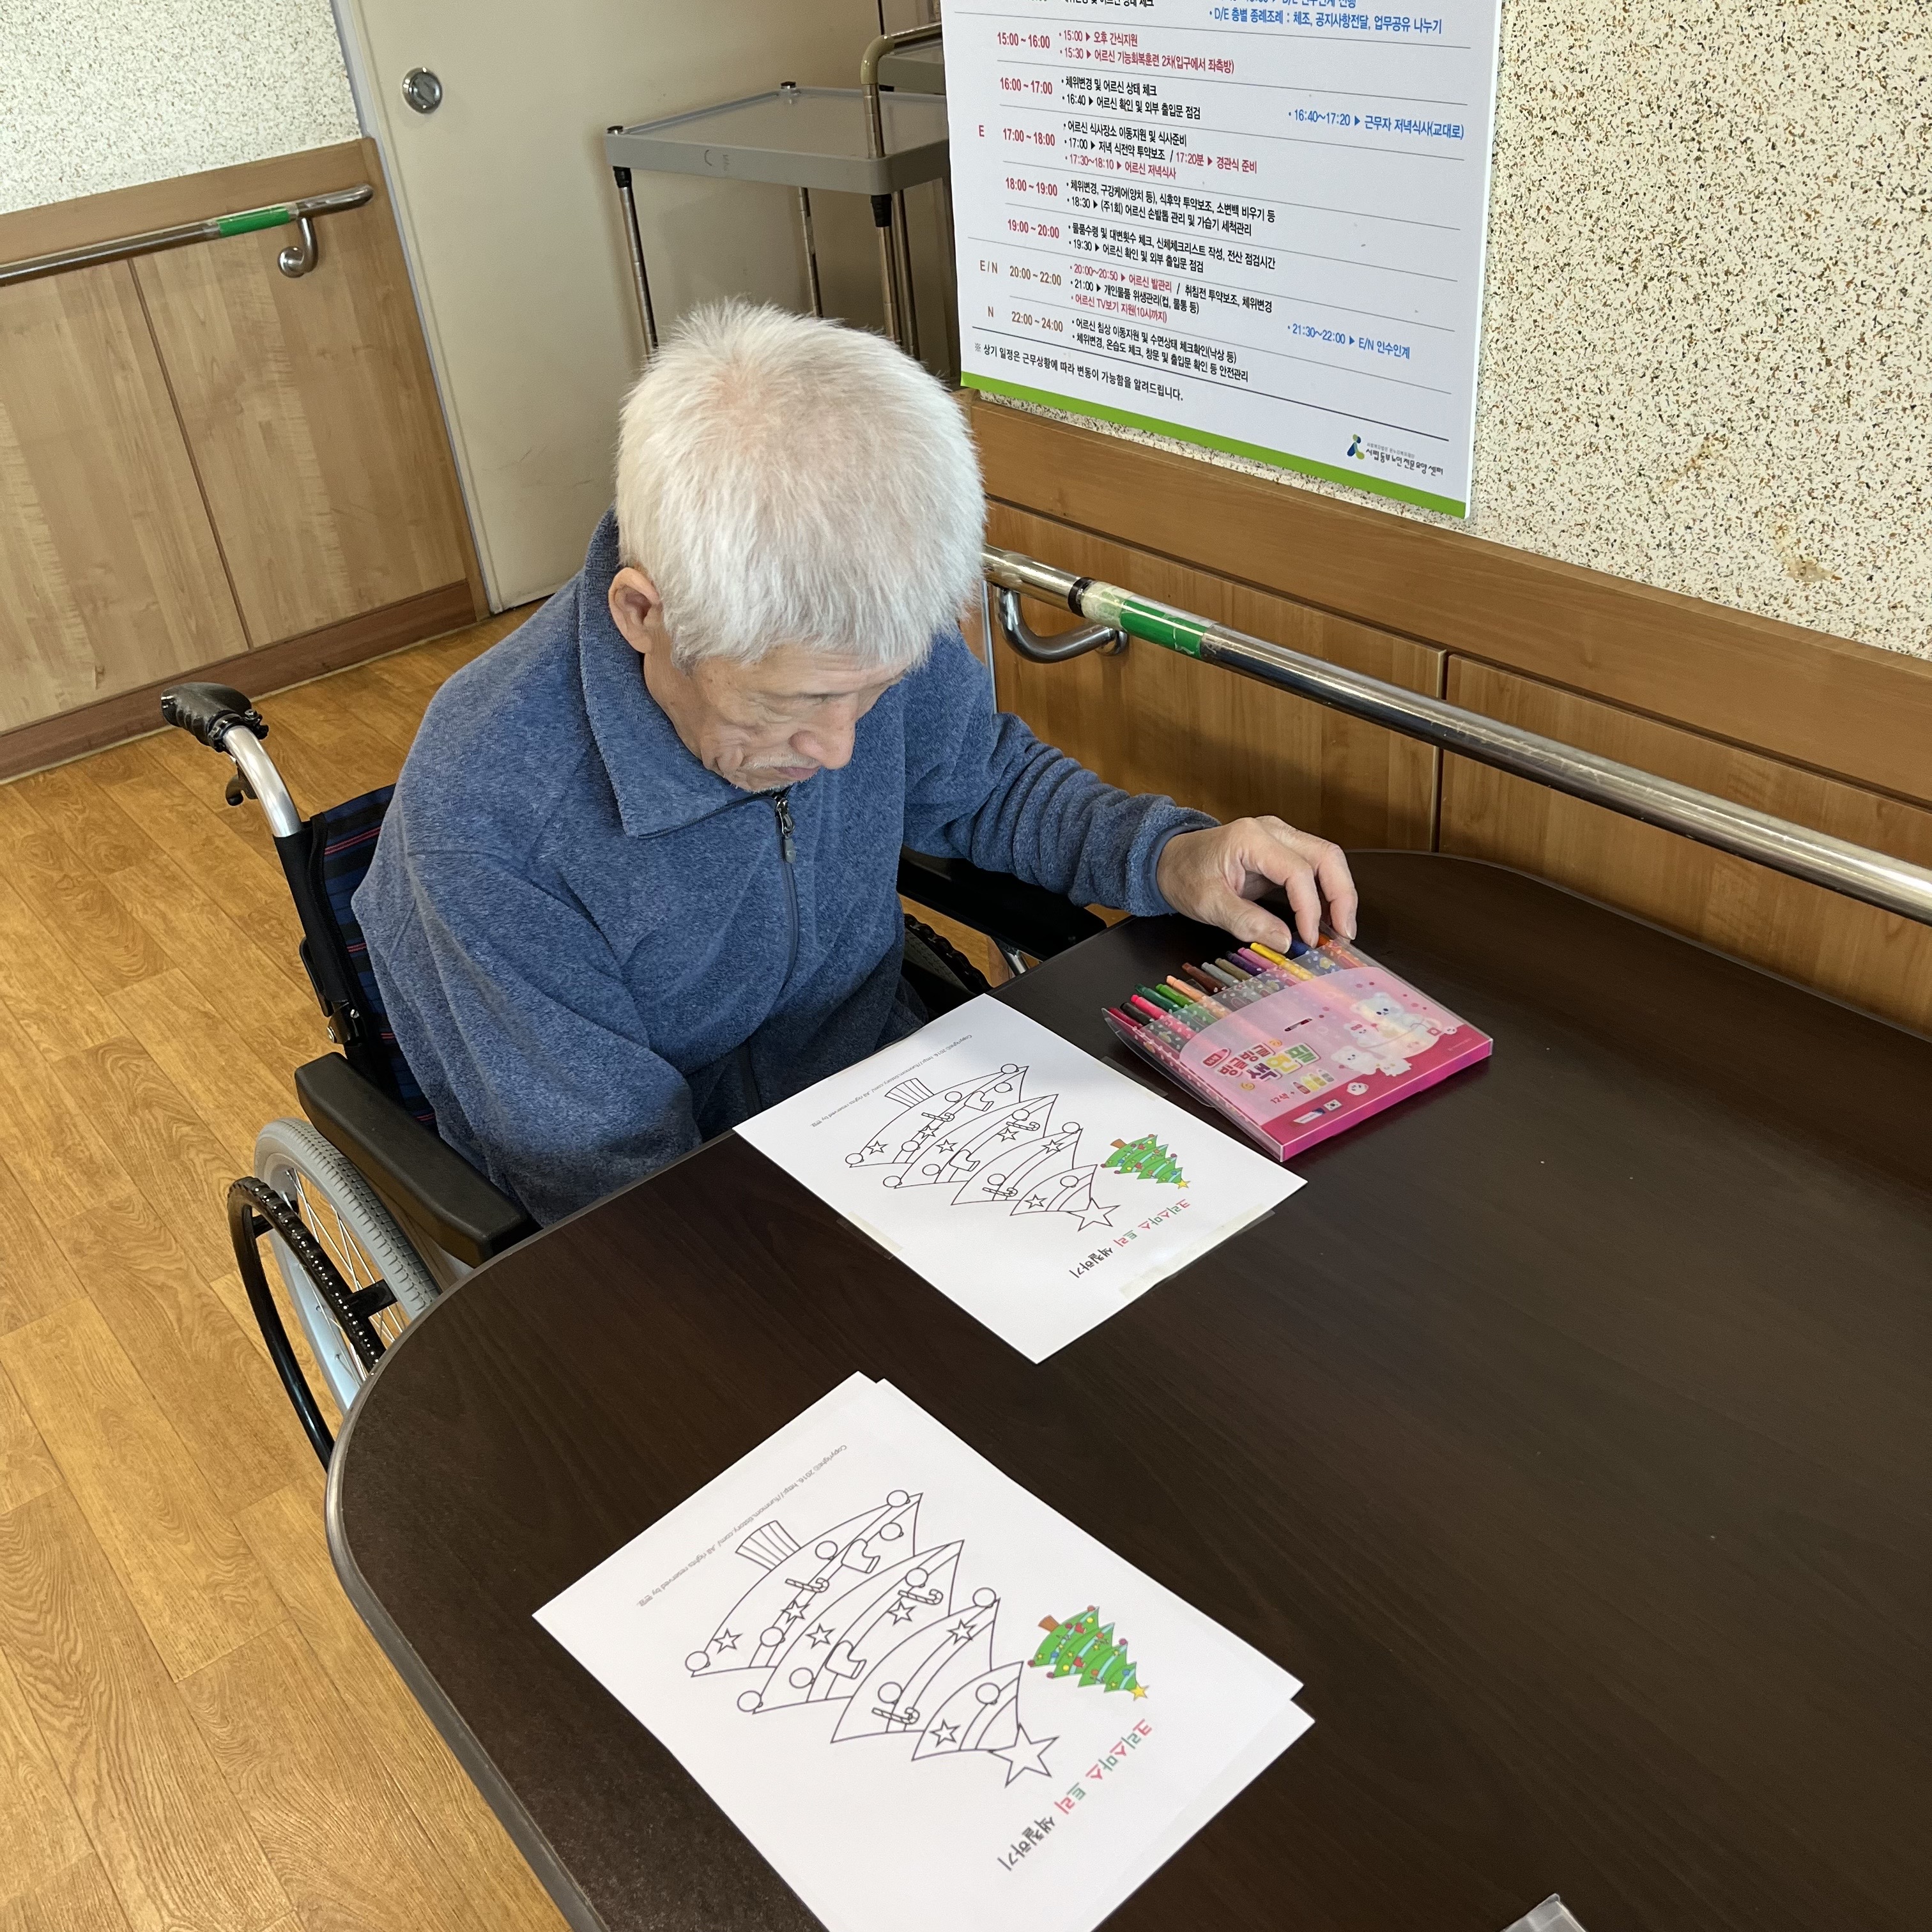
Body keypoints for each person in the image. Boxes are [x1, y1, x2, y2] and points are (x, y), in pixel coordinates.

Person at [356, 303, 1356, 1224]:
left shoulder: (859, 616)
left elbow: (983, 781)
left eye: (874, 693)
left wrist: (1170, 855)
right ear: (644, 615)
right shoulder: (488, 817)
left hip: (884, 1091)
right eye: (792, 704)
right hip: (687, 1198)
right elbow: (611, 1182)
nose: (840, 749)